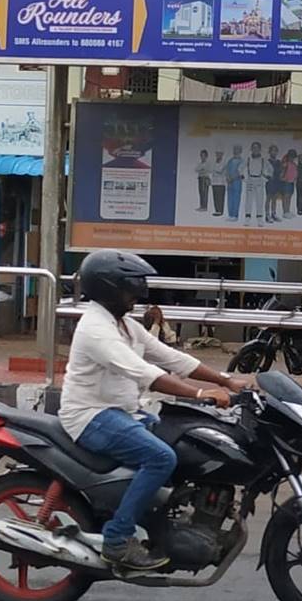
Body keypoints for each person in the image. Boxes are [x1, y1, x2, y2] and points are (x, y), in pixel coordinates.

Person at [59, 250, 248, 571]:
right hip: (93, 416)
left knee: (184, 443)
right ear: (109, 288)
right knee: (161, 457)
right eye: (130, 287)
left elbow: (171, 358)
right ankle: (117, 540)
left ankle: (164, 525)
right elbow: (148, 374)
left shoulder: (126, 326)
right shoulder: (96, 329)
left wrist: (227, 381)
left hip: (126, 411)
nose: (136, 294)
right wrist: (201, 393)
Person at [242, 142, 268, 227]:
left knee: (259, 200)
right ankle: (247, 217)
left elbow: (270, 169)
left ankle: (259, 218)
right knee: (249, 200)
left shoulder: (263, 159)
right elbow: (240, 168)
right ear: (251, 149)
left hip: (259, 180)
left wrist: (266, 178)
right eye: (254, 147)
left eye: (257, 148)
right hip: (250, 180)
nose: (255, 149)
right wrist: (243, 177)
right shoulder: (248, 159)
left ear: (260, 149)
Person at [225, 145, 244, 221]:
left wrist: (233, 178)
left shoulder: (242, 161)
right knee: (230, 198)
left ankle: (235, 216)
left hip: (237, 182)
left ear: (240, 151)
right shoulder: (230, 160)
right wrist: (228, 178)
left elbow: (241, 172)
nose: (236, 151)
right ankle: (230, 215)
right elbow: (227, 170)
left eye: (237, 149)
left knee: (236, 198)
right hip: (229, 182)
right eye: (234, 149)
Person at [265, 145, 282, 223]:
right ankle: (267, 215)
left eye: (275, 151)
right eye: (272, 150)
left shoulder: (278, 162)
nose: (274, 152)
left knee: (274, 199)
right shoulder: (267, 161)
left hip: (277, 182)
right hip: (270, 182)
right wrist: (268, 177)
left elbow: (280, 171)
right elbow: (263, 172)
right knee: (268, 198)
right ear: (269, 152)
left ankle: (273, 214)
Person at [280, 150, 299, 220]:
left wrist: (295, 179)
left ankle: (288, 211)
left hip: (291, 182)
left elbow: (296, 173)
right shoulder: (285, 164)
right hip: (286, 182)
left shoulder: (294, 164)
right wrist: (283, 178)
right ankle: (285, 212)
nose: (292, 158)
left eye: (293, 157)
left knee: (289, 197)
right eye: (291, 156)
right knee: (285, 197)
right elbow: (282, 172)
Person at [211, 150, 227, 217]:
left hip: (221, 182)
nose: (218, 155)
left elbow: (222, 172)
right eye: (217, 154)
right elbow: (212, 171)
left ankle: (220, 211)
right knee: (215, 197)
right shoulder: (214, 162)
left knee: (220, 197)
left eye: (220, 154)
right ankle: (217, 210)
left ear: (222, 155)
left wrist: (217, 172)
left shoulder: (224, 163)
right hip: (214, 182)